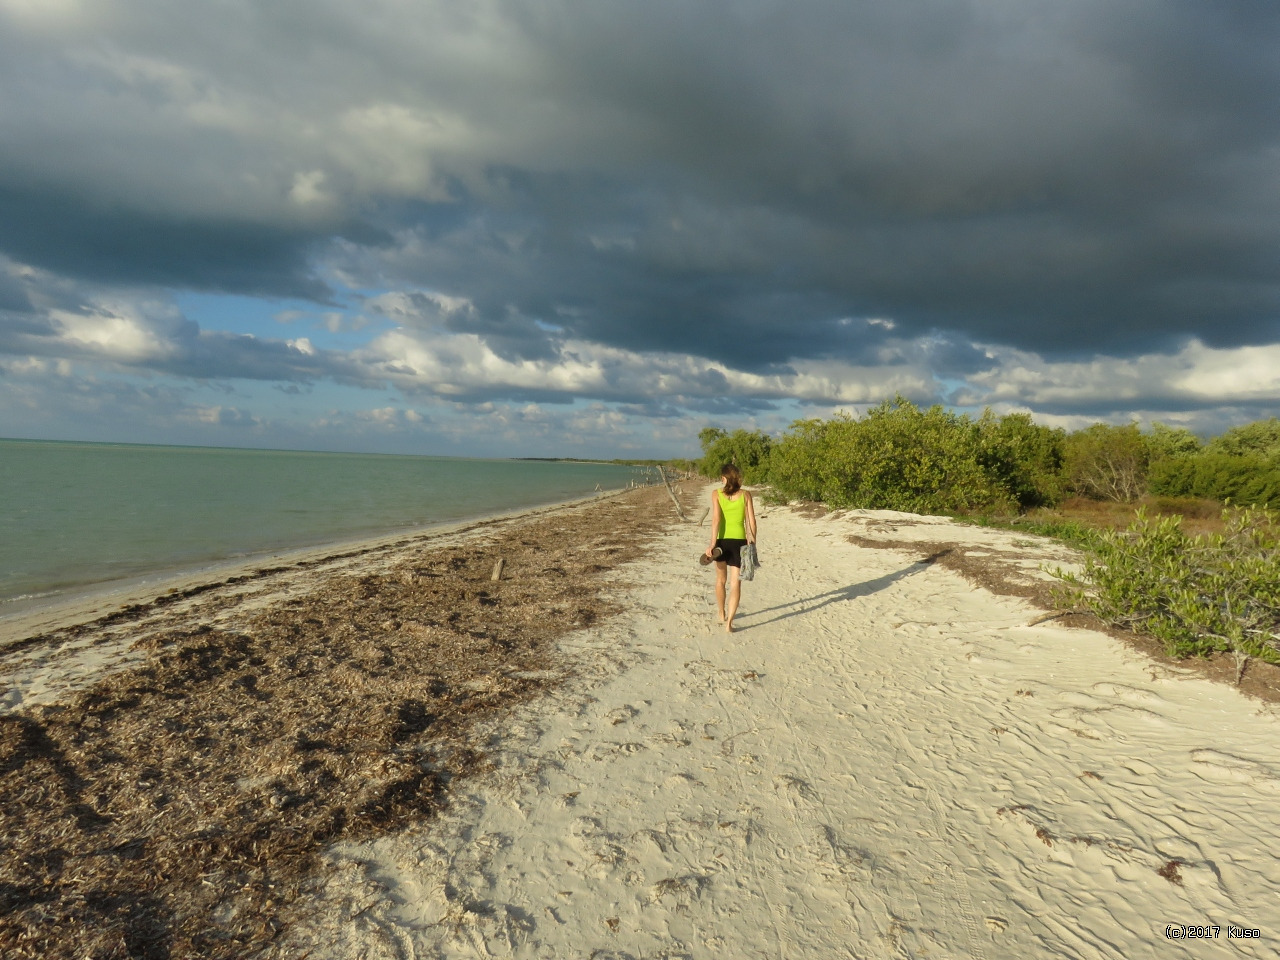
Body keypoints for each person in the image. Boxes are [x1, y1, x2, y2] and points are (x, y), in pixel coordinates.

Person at [704, 463, 757, 633]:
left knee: (720, 580)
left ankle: (721, 612)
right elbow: (751, 521)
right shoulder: (746, 495)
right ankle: (729, 624)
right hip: (739, 543)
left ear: (724, 478)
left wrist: (712, 544)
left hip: (722, 542)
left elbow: (716, 520)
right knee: (736, 584)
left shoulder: (716, 494)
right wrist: (752, 541)